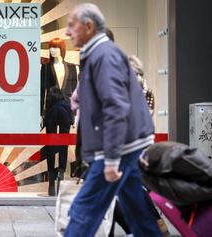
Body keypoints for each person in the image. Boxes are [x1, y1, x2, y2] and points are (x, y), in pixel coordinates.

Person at [64, 3, 162, 237]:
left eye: (71, 26)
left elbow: (115, 107)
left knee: (84, 210)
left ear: (89, 26)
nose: (67, 32)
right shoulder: (98, 54)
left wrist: (110, 159)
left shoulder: (103, 56)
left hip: (118, 149)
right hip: (127, 146)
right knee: (138, 212)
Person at [40, 37, 77, 196]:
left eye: (55, 47)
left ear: (61, 48)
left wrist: (75, 112)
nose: (52, 50)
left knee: (64, 143)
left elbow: (75, 92)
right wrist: (40, 113)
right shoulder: (46, 68)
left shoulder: (71, 68)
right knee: (50, 144)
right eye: (50, 48)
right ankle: (51, 179)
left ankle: (61, 172)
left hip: (66, 108)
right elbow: (42, 91)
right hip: (51, 109)